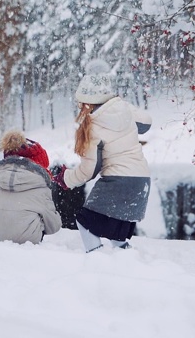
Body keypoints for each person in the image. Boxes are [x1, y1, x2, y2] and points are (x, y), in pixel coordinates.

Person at [54, 59, 152, 252]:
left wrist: (66, 178)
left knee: (85, 221)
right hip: (142, 181)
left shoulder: (93, 126)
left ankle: (96, 260)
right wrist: (119, 103)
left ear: (86, 102)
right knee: (117, 235)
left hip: (119, 180)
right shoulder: (125, 110)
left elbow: (88, 171)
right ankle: (126, 261)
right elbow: (147, 123)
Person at [0, 131, 62, 256]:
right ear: (39, 166)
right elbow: (53, 226)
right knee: (40, 220)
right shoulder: (40, 184)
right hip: (24, 244)